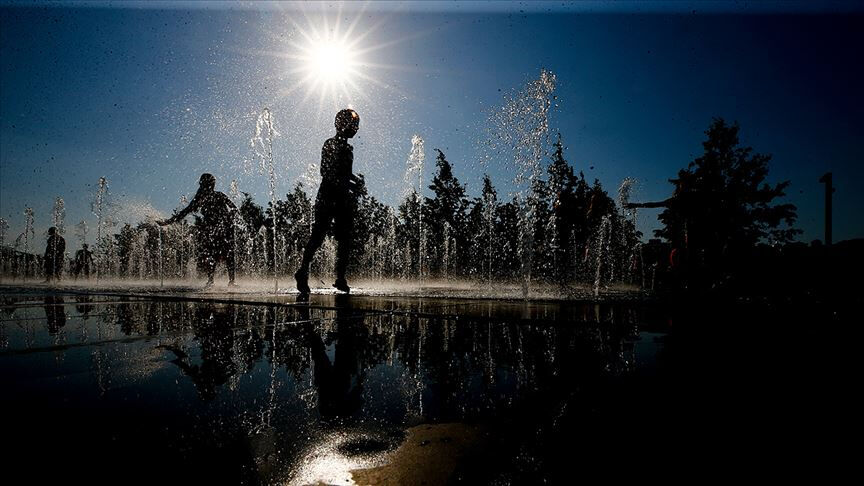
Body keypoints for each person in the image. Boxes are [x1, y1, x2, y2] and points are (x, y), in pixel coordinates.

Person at [294, 109, 363, 294]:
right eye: (351, 124)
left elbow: (346, 173)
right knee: (318, 235)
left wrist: (355, 182)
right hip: (327, 195)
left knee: (344, 239)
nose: (355, 128)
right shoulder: (329, 144)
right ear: (339, 124)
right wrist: (346, 184)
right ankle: (302, 272)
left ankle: (340, 278)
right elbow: (325, 172)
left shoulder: (349, 149)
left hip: (342, 197)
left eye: (356, 125)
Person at [158, 173, 237, 287]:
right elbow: (185, 211)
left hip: (223, 229)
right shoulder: (201, 199)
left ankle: (226, 281)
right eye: (212, 183)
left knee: (224, 254)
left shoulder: (218, 195)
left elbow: (234, 208)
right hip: (213, 231)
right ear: (207, 184)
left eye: (213, 183)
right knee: (215, 254)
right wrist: (168, 222)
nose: (213, 185)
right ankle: (216, 281)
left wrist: (230, 216)